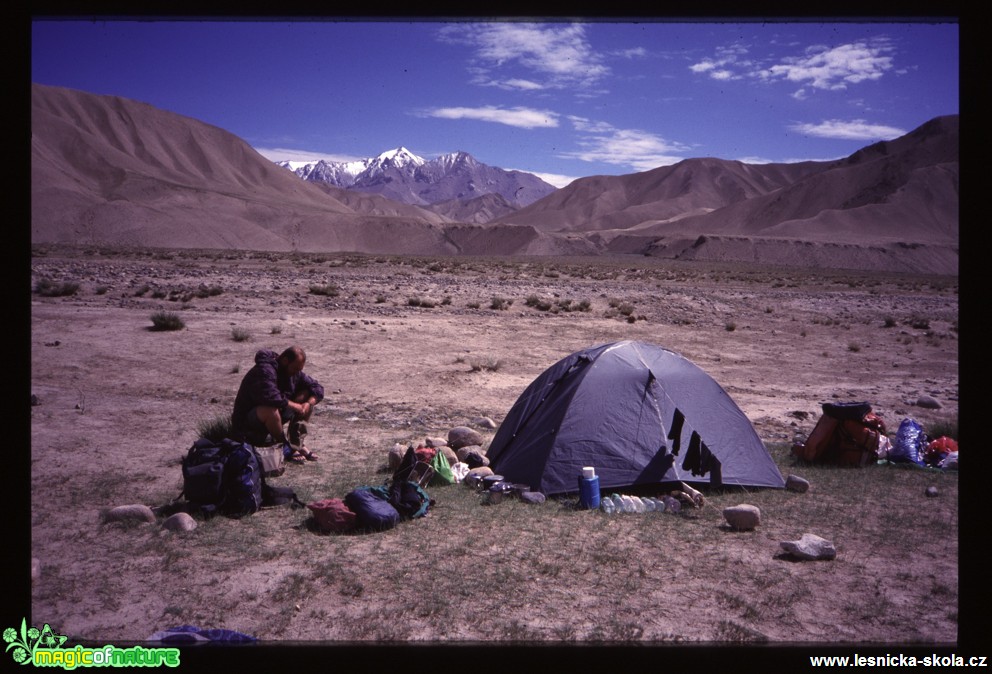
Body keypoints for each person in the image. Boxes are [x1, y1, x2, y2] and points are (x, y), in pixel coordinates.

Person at [231, 346, 324, 463]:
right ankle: (284, 446)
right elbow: (271, 397)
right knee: (270, 409)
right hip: (247, 422)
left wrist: (307, 403)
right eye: (295, 368)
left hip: (275, 415)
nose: (297, 372)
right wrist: (297, 406)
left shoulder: (294, 372)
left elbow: (317, 388)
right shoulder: (265, 370)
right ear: (285, 361)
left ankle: (296, 444)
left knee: (306, 394)